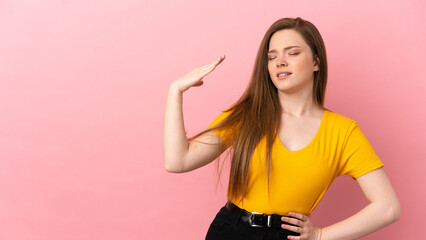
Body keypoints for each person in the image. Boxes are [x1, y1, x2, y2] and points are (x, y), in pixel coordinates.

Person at [163, 17, 400, 240]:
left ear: (316, 62)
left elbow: (388, 207)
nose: (280, 62)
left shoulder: (343, 132)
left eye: (293, 53)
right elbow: (178, 162)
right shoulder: (247, 114)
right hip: (230, 231)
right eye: (272, 56)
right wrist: (176, 91)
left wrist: (320, 236)